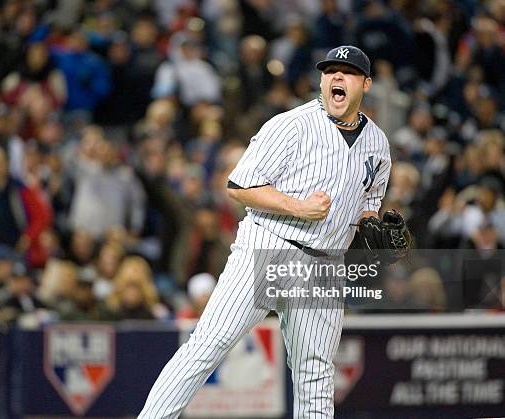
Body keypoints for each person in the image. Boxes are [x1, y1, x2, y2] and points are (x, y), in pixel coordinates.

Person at [139, 46, 404, 418]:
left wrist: (374, 229)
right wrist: (298, 207)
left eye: (347, 72)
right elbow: (239, 186)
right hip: (270, 243)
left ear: (366, 84)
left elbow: (367, 207)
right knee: (208, 344)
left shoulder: (378, 144)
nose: (336, 78)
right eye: (330, 71)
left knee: (316, 375)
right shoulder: (291, 125)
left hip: (325, 263)